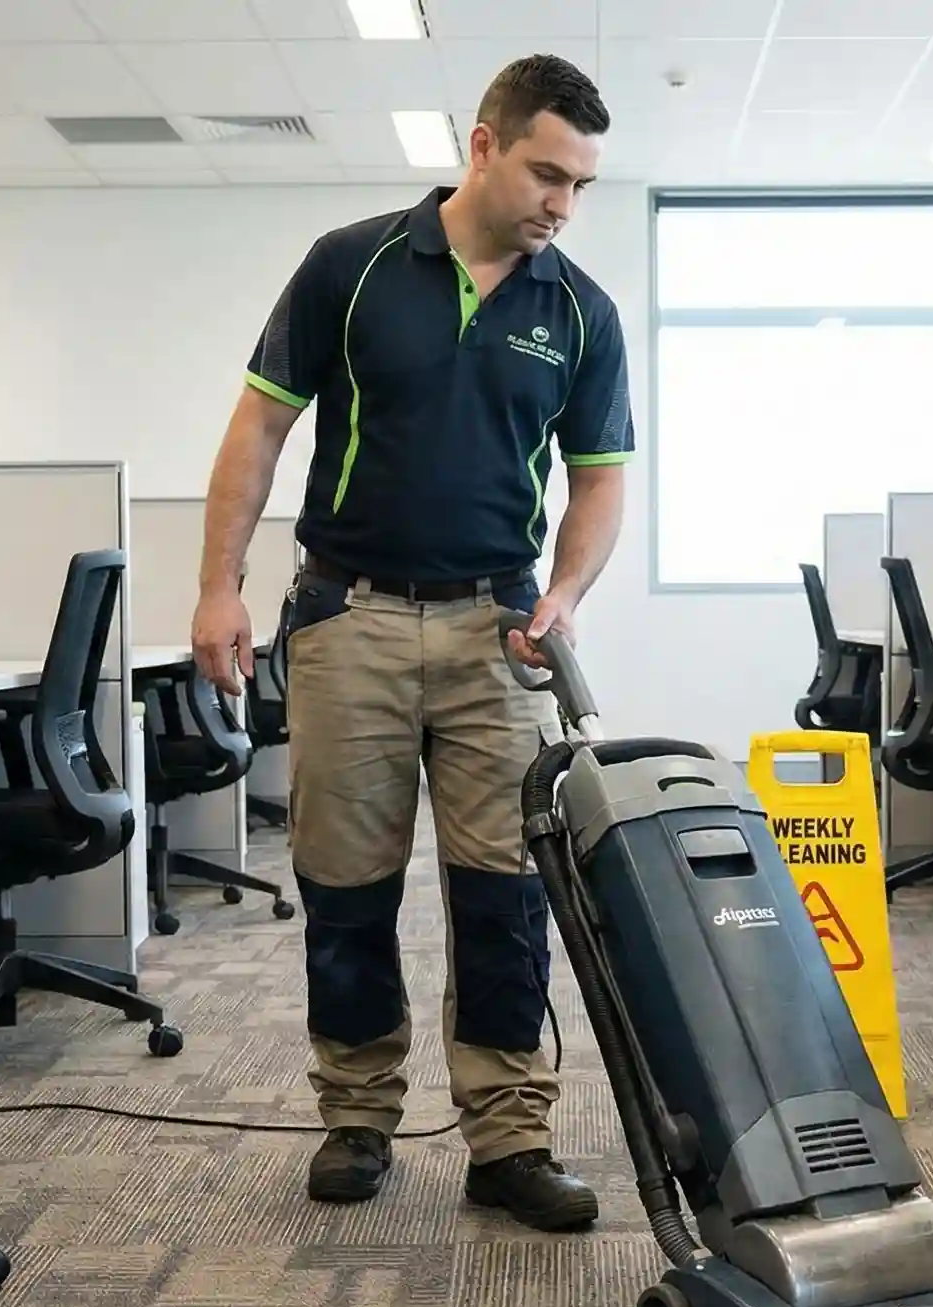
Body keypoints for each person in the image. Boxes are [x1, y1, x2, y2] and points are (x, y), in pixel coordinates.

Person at [188, 54, 632, 1233]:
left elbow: (597, 483)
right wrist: (217, 587)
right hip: (351, 619)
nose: (562, 205)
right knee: (344, 884)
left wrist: (568, 591)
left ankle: (508, 1135)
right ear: (481, 147)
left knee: (507, 895)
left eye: (581, 185)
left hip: (499, 634)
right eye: (547, 174)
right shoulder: (353, 263)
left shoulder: (579, 308)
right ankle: (357, 1113)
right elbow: (258, 429)